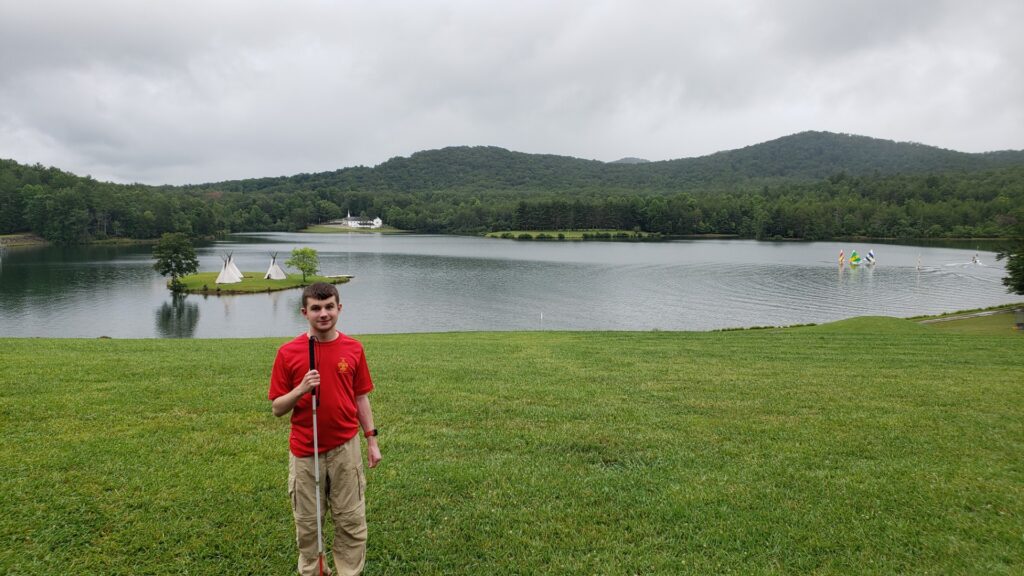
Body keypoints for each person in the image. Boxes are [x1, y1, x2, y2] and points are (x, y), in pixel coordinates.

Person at [269, 282, 382, 576]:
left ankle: (348, 572)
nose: (324, 314)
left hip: (346, 446)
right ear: (304, 312)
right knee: (308, 523)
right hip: (306, 450)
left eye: (329, 306)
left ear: (339, 308)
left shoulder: (353, 348)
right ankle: (314, 570)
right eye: (316, 308)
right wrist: (301, 389)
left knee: (351, 521)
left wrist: (372, 439)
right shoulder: (288, 353)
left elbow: (361, 397)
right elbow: (278, 408)